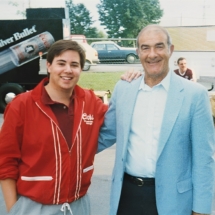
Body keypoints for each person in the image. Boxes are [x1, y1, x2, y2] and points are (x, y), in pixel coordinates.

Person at [0, 39, 140, 215]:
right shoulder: (22, 105)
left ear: (81, 69)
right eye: (61, 63)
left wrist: (129, 84)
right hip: (34, 207)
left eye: (74, 64)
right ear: (49, 66)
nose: (68, 70)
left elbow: (118, 121)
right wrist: (14, 209)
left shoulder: (89, 102)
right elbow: (5, 161)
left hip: (78, 205)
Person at [98, 24, 215, 215]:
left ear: (171, 50)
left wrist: (201, 210)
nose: (152, 54)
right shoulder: (124, 89)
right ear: (138, 52)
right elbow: (106, 135)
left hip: (175, 203)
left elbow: (204, 159)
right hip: (127, 198)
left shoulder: (195, 95)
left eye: (159, 46)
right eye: (145, 48)